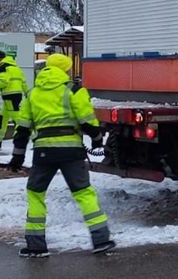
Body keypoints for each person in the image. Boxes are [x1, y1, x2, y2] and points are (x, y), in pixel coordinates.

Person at [8, 53, 115, 256]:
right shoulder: (73, 90)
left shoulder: (32, 94)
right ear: (65, 70)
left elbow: (22, 128)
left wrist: (17, 156)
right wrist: (97, 138)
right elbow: (86, 119)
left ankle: (35, 246)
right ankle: (101, 240)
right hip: (71, 152)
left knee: (36, 194)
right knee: (84, 193)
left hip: (43, 153)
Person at [0, 50, 28, 150]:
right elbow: (24, 83)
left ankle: (29, 139)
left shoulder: (3, 67)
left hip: (9, 96)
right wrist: (27, 94)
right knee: (2, 119)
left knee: (17, 119)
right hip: (16, 96)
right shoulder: (16, 68)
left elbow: (4, 83)